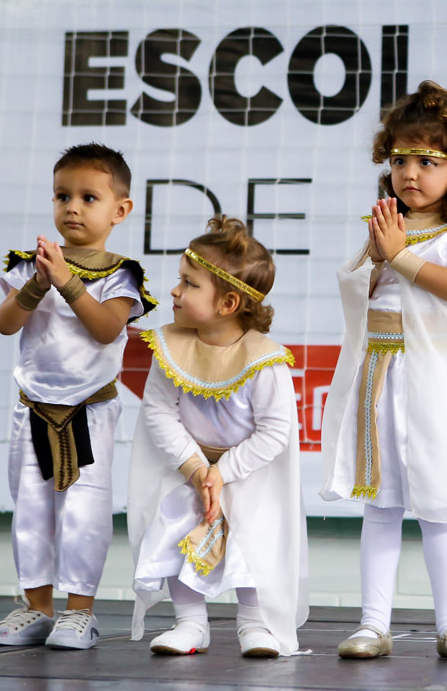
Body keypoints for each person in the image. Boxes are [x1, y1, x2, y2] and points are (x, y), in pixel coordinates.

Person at [319, 80, 447, 661]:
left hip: (437, 385)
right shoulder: (387, 224)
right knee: (380, 505)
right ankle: (372, 624)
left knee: (438, 506)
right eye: (401, 159)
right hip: (382, 376)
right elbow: (365, 291)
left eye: (427, 161)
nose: (410, 172)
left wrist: (399, 255)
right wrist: (378, 258)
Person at [0, 143, 156, 649]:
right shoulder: (29, 265)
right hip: (33, 407)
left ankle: (79, 611)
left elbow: (106, 329)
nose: (73, 208)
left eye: (88, 197)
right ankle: (36, 607)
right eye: (63, 196)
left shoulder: (121, 273)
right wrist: (39, 283)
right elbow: (5, 324)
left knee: (84, 509)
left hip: (89, 410)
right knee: (31, 507)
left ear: (120, 210)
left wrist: (67, 281)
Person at [127, 216, 308, 658]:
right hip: (188, 466)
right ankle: (190, 622)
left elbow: (274, 431)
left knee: (254, 538)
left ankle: (255, 624)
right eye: (180, 280)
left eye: (189, 284)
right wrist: (195, 469)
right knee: (175, 528)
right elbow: (158, 410)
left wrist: (224, 472)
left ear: (228, 303)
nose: (175, 291)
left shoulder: (263, 361)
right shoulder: (170, 347)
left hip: (247, 470)